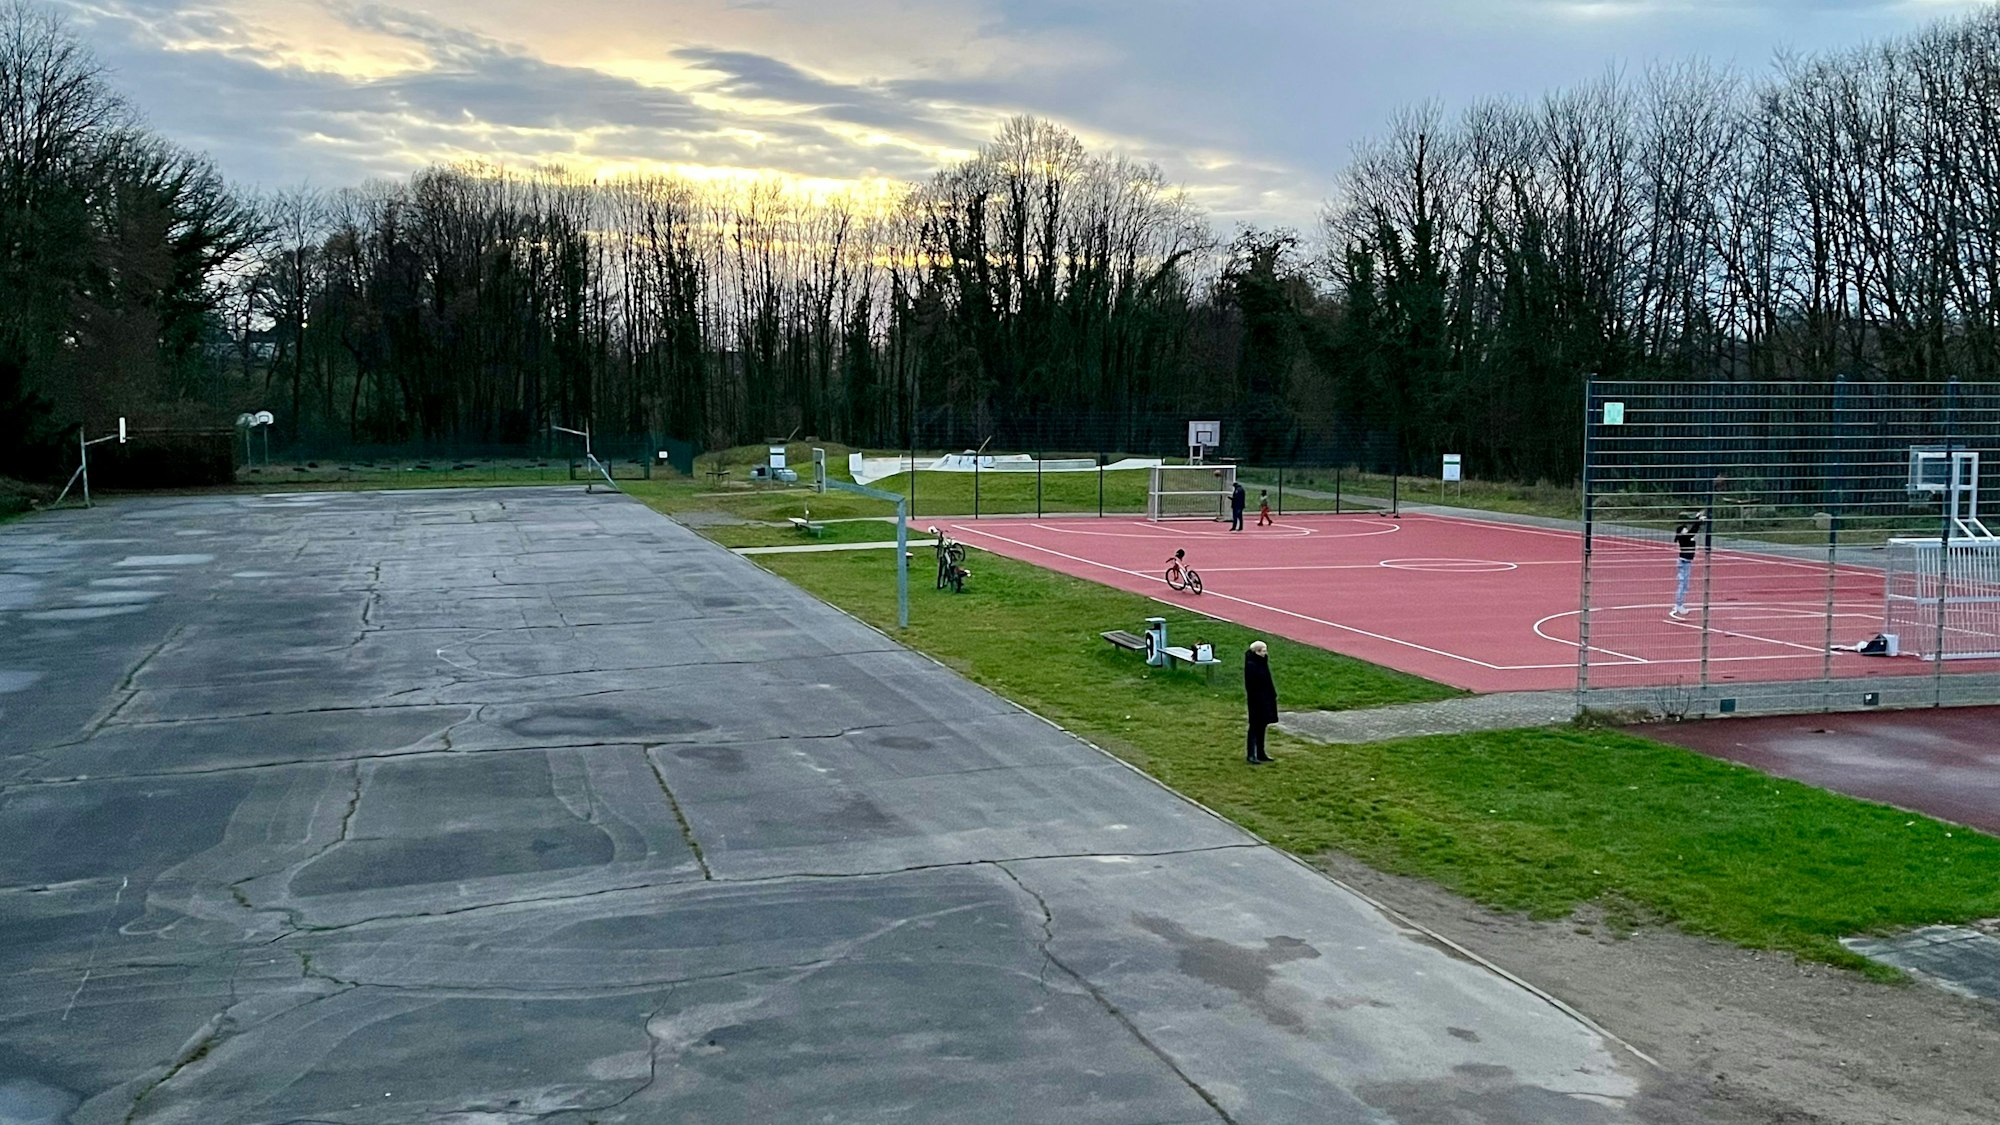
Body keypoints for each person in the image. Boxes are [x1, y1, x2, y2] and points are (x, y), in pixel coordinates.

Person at [1244, 640, 1277, 764]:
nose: (1266, 653)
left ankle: (1261, 752)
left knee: (1262, 726)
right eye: (1263, 650)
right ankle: (1251, 754)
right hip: (1256, 701)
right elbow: (1252, 686)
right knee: (1254, 727)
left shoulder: (1261, 662)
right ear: (1257, 651)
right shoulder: (1252, 665)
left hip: (1265, 699)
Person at [1671, 510, 1707, 618]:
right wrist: (1698, 521)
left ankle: (1678, 603)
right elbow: (1693, 530)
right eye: (1684, 529)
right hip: (1684, 562)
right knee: (1683, 585)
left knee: (1684, 585)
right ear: (1681, 532)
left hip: (1686, 562)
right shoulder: (1684, 537)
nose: (1686, 529)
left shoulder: (1686, 537)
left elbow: (1693, 531)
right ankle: (1679, 604)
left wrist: (1698, 518)